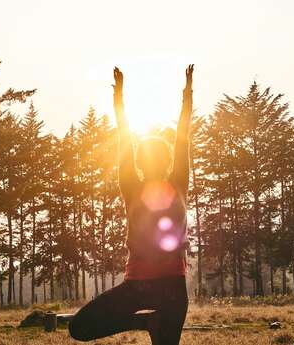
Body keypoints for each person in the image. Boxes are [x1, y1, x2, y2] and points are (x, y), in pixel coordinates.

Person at [69, 64, 194, 345]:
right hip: (160, 287)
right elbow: (178, 140)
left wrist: (121, 100)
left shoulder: (154, 186)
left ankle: (147, 321)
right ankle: (147, 321)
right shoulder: (149, 187)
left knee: (80, 328)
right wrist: (120, 100)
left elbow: (176, 139)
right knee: (79, 328)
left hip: (152, 286)